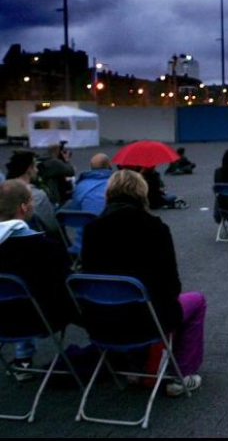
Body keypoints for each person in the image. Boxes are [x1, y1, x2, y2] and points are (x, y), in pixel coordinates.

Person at [81, 170, 206, 396]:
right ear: (142, 193)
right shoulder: (155, 228)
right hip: (146, 320)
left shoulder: (91, 230)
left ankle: (136, 364)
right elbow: (171, 286)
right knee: (195, 301)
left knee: (139, 299)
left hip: (102, 321)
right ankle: (181, 375)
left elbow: (88, 276)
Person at [0, 180, 75, 379]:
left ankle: (23, 358)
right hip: (38, 319)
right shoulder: (42, 245)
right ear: (23, 207)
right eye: (32, 201)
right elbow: (65, 284)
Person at [61, 153, 113, 255]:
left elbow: (74, 211)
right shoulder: (116, 184)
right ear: (109, 166)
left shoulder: (81, 186)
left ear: (91, 168)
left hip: (83, 246)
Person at [4, 150, 61, 241]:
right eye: (35, 167)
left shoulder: (3, 190)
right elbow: (52, 226)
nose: (37, 170)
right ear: (29, 169)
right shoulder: (37, 195)